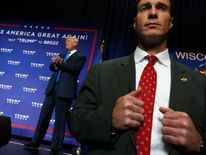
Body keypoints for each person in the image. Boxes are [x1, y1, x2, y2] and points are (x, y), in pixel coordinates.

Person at [68, 0, 206, 155]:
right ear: (134, 23)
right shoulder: (101, 72)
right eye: (145, 8)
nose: (153, 13)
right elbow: (76, 123)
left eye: (161, 8)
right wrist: (110, 120)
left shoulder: (200, 83)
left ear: (171, 23)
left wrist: (199, 144)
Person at [24, 35, 86, 155]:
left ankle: (56, 147)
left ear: (75, 43)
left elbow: (74, 69)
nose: (66, 43)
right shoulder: (62, 55)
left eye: (68, 41)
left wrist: (60, 63)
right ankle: (35, 142)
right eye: (66, 40)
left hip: (64, 92)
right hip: (52, 89)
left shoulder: (80, 57)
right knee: (43, 117)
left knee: (59, 121)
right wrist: (55, 63)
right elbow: (52, 68)